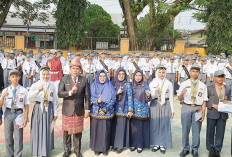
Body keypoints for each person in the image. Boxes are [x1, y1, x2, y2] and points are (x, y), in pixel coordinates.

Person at [58, 56, 90, 157]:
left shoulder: (84, 80)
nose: (75, 70)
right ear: (70, 69)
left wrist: (87, 109)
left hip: (79, 110)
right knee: (66, 132)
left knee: (78, 132)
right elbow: (59, 93)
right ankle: (67, 150)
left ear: (80, 69)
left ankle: (77, 150)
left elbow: (87, 96)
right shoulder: (64, 78)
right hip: (67, 109)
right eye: (73, 68)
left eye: (77, 68)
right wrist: (70, 92)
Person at [177, 64, 208, 157]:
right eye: (193, 71)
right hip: (186, 106)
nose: (194, 73)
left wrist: (203, 112)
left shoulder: (203, 85)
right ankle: (186, 148)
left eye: (197, 71)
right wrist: (182, 93)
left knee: (196, 130)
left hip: (197, 108)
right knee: (185, 129)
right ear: (190, 72)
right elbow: (180, 98)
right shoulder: (184, 83)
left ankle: (195, 149)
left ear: (199, 73)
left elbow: (204, 100)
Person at [29, 66, 58, 157]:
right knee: (38, 129)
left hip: (49, 109)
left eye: (47, 74)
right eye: (44, 74)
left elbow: (55, 100)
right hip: (39, 108)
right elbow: (29, 98)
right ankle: (38, 151)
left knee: (47, 129)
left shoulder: (52, 85)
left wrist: (55, 112)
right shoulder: (36, 84)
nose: (46, 76)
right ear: (41, 75)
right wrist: (38, 90)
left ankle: (46, 150)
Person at [0, 69, 30, 157]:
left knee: (18, 137)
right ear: (9, 78)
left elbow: (26, 105)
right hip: (8, 113)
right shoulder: (5, 90)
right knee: (8, 137)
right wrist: (3, 97)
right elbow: (0, 105)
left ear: (19, 77)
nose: (15, 78)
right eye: (13, 77)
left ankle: (18, 155)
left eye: (17, 76)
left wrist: (25, 118)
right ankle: (10, 155)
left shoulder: (24, 90)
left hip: (19, 114)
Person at [89, 70, 116, 156]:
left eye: (104, 76)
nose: (102, 78)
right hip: (96, 111)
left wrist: (104, 109)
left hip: (107, 111)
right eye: (100, 76)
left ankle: (105, 148)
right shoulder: (93, 86)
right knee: (96, 130)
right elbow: (90, 98)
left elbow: (113, 99)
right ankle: (96, 148)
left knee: (106, 130)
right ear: (97, 77)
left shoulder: (110, 86)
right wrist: (97, 101)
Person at [149, 65, 175, 154]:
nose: (161, 74)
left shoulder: (168, 83)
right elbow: (150, 96)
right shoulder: (152, 83)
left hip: (165, 104)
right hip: (155, 104)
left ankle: (162, 144)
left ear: (165, 73)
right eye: (159, 72)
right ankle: (156, 143)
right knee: (155, 124)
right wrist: (155, 92)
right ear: (157, 73)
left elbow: (171, 97)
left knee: (164, 124)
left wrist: (172, 110)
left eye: (163, 72)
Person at [206, 70, 230, 157]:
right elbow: (205, 100)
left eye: (222, 77)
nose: (220, 78)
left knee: (220, 133)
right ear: (215, 77)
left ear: (224, 78)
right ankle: (211, 149)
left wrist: (228, 106)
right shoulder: (209, 88)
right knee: (210, 132)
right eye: (218, 77)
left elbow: (229, 100)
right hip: (212, 112)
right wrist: (212, 105)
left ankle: (217, 150)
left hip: (223, 114)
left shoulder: (228, 88)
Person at [111, 67, 133, 154]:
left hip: (124, 109)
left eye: (123, 74)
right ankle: (114, 144)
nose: (121, 76)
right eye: (119, 74)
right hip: (113, 109)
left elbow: (130, 98)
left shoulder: (127, 85)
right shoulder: (113, 83)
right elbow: (109, 96)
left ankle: (120, 145)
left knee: (121, 127)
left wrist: (130, 110)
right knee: (114, 128)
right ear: (117, 75)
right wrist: (117, 93)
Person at [130, 69, 151, 153]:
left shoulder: (145, 85)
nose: (138, 77)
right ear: (133, 76)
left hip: (142, 110)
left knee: (141, 128)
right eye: (136, 75)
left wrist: (149, 96)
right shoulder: (130, 85)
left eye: (140, 76)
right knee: (133, 128)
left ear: (142, 76)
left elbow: (148, 99)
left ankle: (140, 145)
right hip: (133, 110)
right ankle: (133, 144)